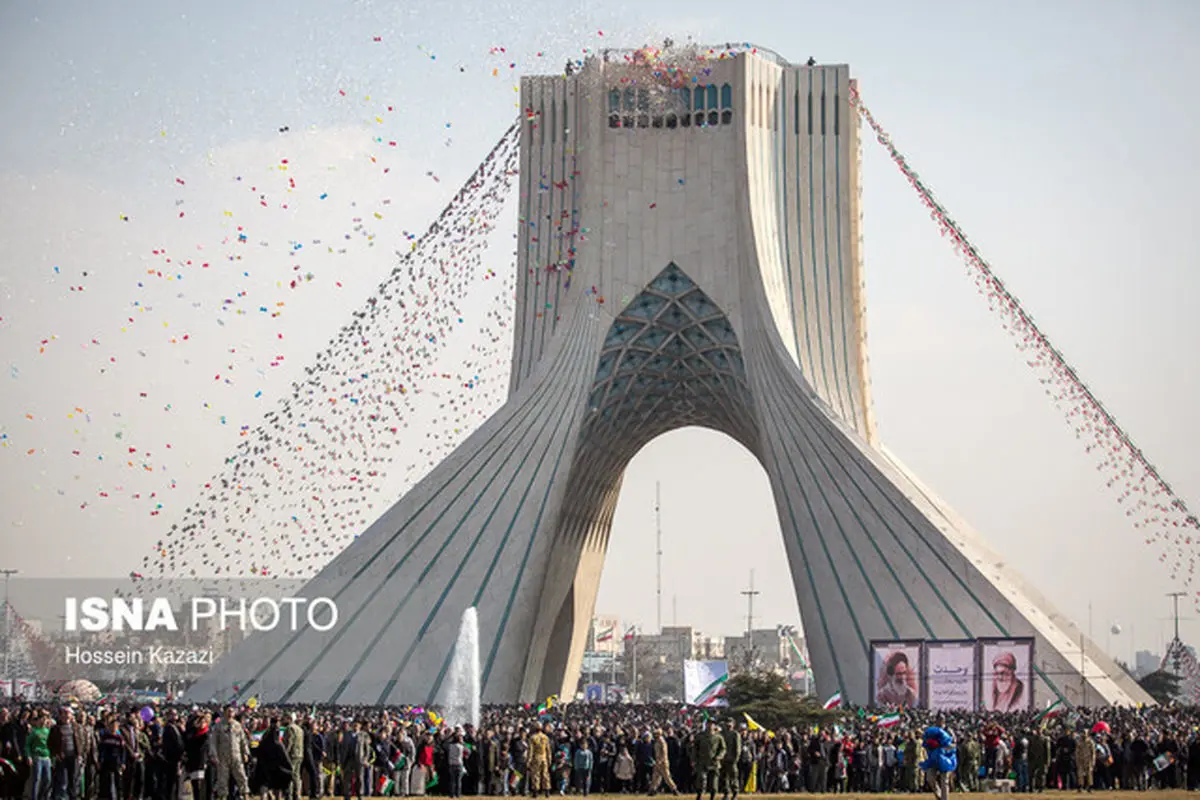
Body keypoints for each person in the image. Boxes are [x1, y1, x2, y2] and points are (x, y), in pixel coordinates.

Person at [919, 726, 957, 800]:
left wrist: (941, 747)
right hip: (933, 759)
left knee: (944, 781)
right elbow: (926, 745)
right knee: (930, 778)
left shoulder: (948, 730)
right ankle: (938, 795)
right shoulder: (931, 732)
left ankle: (944, 798)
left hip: (945, 760)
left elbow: (953, 745)